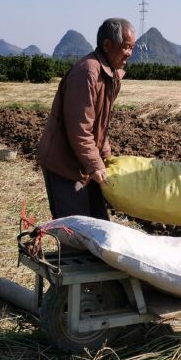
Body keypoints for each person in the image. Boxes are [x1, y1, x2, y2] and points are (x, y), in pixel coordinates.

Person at [37, 18, 135, 220]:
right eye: (126, 47)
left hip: (85, 163)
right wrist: (96, 165)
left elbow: (101, 123)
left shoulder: (112, 75)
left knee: (99, 225)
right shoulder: (87, 73)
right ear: (107, 45)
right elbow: (80, 128)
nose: (129, 54)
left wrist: (106, 158)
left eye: (132, 48)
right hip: (64, 165)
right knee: (76, 229)